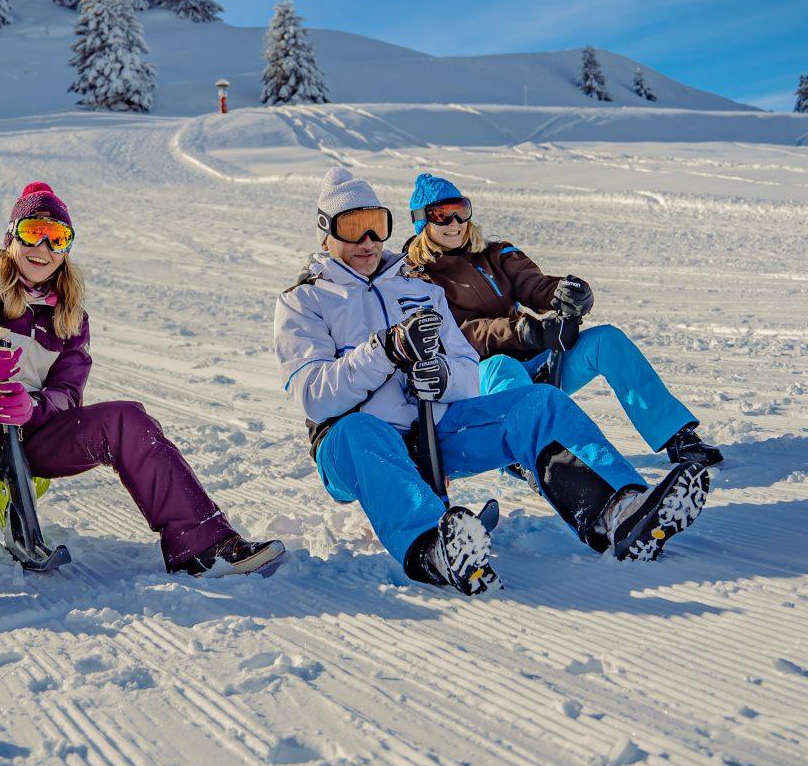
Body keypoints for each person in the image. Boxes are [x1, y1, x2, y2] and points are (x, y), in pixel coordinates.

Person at [273, 167, 710, 594]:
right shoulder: (305, 300)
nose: (368, 241)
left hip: (434, 431)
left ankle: (618, 510)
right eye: (353, 228)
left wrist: (443, 376)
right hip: (350, 444)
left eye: (376, 226)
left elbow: (467, 368)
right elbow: (313, 397)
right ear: (326, 232)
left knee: (538, 403)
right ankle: (432, 548)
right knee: (361, 429)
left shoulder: (418, 289)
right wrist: (384, 351)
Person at [0, 182, 284, 607]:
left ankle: (203, 545)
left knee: (127, 418)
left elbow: (67, 391)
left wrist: (34, 407)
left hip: (31, 442)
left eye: (58, 238)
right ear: (12, 235)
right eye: (33, 231)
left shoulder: (69, 314)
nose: (43, 247)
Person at [401, 172, 723, 470]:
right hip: (478, 378)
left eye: (461, 210)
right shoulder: (418, 277)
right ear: (422, 222)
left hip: (536, 362)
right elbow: (460, 333)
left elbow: (532, 284)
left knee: (606, 341)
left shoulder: (494, 252)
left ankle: (675, 436)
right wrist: (524, 332)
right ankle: (522, 452)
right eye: (442, 215)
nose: (455, 222)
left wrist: (564, 294)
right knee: (501, 366)